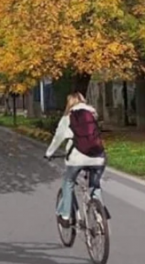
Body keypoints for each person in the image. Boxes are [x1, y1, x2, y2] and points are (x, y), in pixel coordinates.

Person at [44, 92, 106, 227]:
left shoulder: (68, 117)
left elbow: (58, 138)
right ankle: (100, 214)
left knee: (68, 182)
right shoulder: (92, 114)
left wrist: (49, 153)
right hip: (98, 157)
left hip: (77, 158)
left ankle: (65, 215)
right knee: (95, 185)